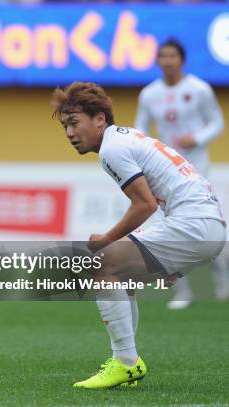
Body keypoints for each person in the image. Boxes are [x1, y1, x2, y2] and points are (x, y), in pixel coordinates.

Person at [51, 81, 225, 389]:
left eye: (74, 123)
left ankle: (125, 363)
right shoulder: (126, 137)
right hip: (203, 223)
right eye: (65, 125)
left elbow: (144, 204)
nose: (69, 133)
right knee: (121, 274)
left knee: (102, 263)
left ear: (100, 119)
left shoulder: (112, 149)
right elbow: (155, 201)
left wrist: (105, 239)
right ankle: (127, 365)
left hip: (193, 224)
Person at [135, 38, 228, 309]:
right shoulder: (149, 94)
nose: (167, 60)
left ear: (182, 60)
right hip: (166, 172)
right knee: (172, 228)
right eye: (162, 56)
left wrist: (197, 138)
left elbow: (217, 121)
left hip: (198, 166)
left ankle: (222, 280)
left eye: (172, 56)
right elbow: (141, 130)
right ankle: (184, 291)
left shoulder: (199, 89)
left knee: (206, 225)